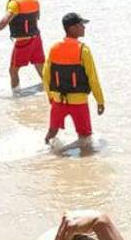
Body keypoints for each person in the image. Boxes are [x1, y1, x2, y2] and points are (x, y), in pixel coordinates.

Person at [42, 12, 104, 146]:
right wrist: (100, 101)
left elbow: (46, 75)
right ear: (72, 28)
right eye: (81, 25)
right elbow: (93, 79)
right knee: (85, 138)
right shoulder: (83, 50)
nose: (84, 27)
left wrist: (50, 96)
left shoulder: (54, 48)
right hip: (79, 103)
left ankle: (45, 154)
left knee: (52, 132)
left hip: (58, 101)